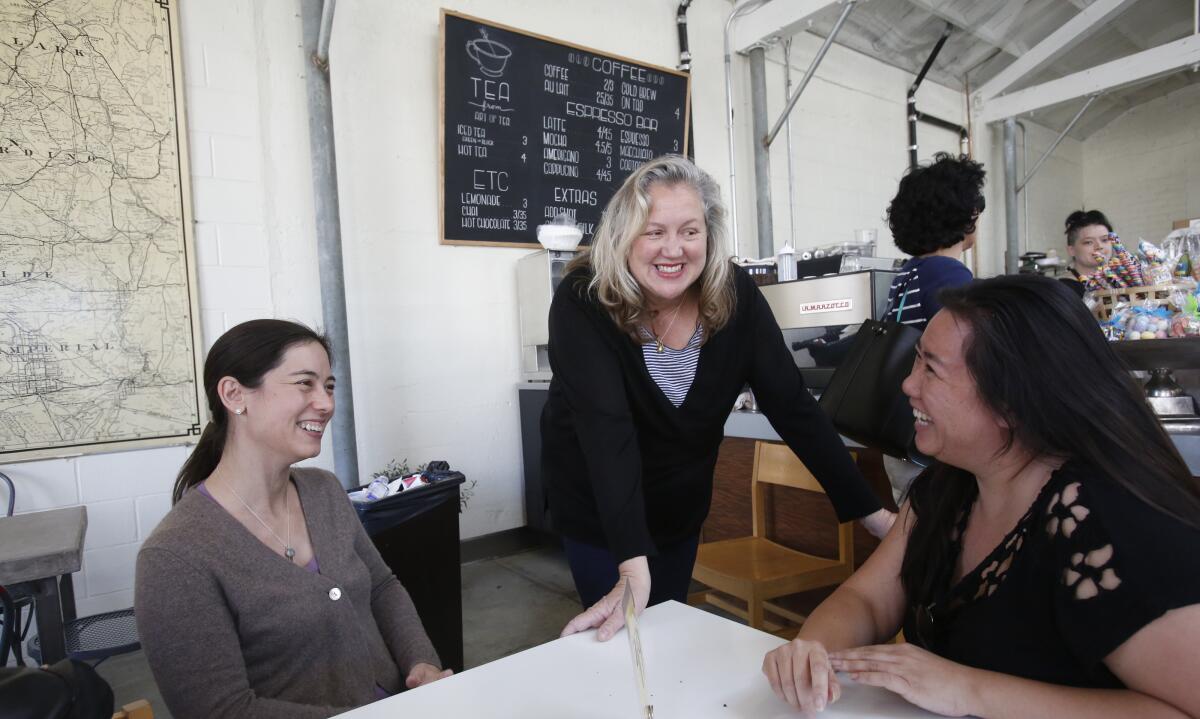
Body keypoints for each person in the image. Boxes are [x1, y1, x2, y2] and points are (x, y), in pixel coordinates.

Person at [762, 275, 1200, 717]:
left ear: (1011, 401)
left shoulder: (1104, 521)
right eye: (916, 362)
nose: (908, 385)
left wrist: (966, 689)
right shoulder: (950, 485)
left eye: (931, 369)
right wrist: (813, 652)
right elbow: (868, 600)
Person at [543, 154, 894, 642]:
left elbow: (791, 404)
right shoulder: (584, 298)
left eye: (690, 231)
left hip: (679, 508)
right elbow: (606, 428)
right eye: (653, 231)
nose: (673, 249)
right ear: (624, 236)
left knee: (667, 631)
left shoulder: (734, 295)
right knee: (624, 648)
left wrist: (872, 513)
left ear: (709, 235)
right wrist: (630, 565)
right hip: (600, 513)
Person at [135, 320, 450, 719]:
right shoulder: (175, 557)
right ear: (234, 394)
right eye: (305, 384)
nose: (326, 403)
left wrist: (421, 663)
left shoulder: (323, 491)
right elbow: (221, 711)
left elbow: (382, 588)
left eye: (329, 386)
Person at [880, 153, 985, 504]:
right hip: (930, 436)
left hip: (898, 431)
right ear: (968, 215)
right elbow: (968, 355)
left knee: (913, 527)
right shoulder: (950, 275)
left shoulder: (908, 274)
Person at [1061, 209, 1115, 297]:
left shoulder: (1119, 281)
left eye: (1104, 240)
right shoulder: (1064, 288)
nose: (1099, 246)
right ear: (1071, 250)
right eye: (1089, 242)